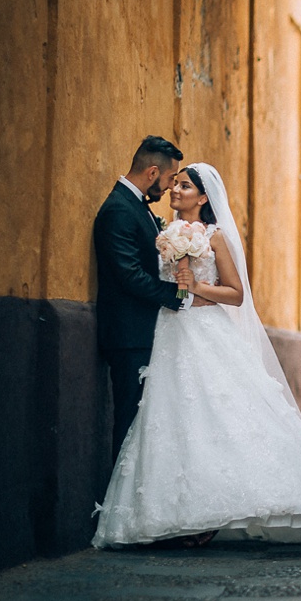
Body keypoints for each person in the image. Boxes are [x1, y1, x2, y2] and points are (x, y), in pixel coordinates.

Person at [92, 162, 301, 548]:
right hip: (170, 332)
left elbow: (236, 293)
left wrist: (196, 289)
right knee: (171, 415)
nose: (175, 190)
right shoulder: (164, 232)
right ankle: (179, 511)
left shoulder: (215, 237)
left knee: (221, 411)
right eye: (174, 184)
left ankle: (222, 508)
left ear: (203, 197)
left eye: (184, 186)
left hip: (206, 330)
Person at [93, 136, 194, 464]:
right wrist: (178, 296)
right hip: (129, 338)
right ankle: (120, 506)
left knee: (144, 423)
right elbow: (130, 276)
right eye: (168, 179)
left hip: (145, 333)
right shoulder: (118, 210)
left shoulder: (137, 207)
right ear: (152, 173)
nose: (169, 188)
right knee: (129, 424)